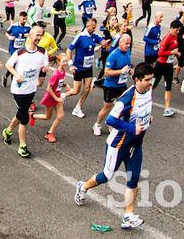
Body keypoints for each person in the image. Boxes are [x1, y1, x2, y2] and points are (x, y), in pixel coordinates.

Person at [74, 62, 154, 230]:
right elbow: (111, 120)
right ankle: (83, 186)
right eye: (147, 80)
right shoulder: (126, 99)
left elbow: (144, 107)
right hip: (118, 145)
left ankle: (128, 216)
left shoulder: (148, 90)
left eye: (151, 79)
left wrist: (148, 117)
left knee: (133, 180)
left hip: (135, 145)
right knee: (106, 176)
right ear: (137, 80)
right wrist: (132, 127)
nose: (150, 83)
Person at [2, 25, 50, 158]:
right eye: (37, 35)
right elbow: (8, 65)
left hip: (31, 89)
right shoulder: (20, 52)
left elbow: (44, 67)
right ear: (30, 35)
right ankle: (22, 146)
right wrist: (16, 75)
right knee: (24, 117)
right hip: (18, 90)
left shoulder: (42, 52)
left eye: (41, 35)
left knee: (20, 112)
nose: (39, 38)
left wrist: (44, 72)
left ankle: (8, 131)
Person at [94, 33, 133, 136]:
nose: (128, 45)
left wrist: (130, 71)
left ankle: (111, 123)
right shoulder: (113, 55)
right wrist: (121, 71)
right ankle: (97, 125)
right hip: (110, 86)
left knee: (123, 106)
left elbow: (128, 66)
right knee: (107, 107)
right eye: (126, 43)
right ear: (120, 42)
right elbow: (107, 72)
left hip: (122, 85)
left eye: (129, 43)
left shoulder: (127, 52)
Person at [67, 17, 102, 119]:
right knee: (76, 90)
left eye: (95, 27)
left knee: (87, 88)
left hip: (88, 67)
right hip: (78, 67)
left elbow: (102, 41)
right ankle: (62, 96)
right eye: (93, 27)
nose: (94, 29)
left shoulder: (94, 36)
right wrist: (70, 64)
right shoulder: (80, 36)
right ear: (87, 26)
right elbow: (69, 50)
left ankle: (78, 107)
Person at [34, 54, 68, 142]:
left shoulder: (63, 71)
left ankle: (49, 133)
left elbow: (59, 84)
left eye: (66, 61)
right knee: (47, 117)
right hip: (50, 97)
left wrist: (66, 85)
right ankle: (32, 116)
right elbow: (48, 88)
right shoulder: (55, 74)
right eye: (63, 61)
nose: (65, 63)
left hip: (57, 96)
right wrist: (56, 99)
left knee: (60, 116)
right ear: (58, 62)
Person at [152, 19, 182, 117]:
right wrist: (172, 52)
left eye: (179, 30)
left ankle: (167, 109)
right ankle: (138, 98)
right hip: (160, 65)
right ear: (171, 28)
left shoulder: (175, 37)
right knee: (152, 85)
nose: (177, 32)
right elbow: (160, 53)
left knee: (168, 87)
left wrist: (176, 53)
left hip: (169, 65)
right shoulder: (167, 37)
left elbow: (173, 50)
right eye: (176, 30)